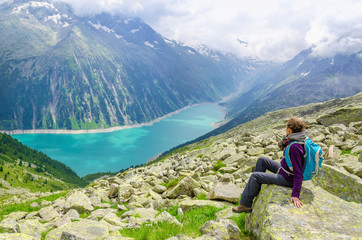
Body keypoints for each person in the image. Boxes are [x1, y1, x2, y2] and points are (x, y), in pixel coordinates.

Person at [232, 117, 307, 213]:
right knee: (261, 160)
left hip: (288, 178)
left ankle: (245, 205)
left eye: (286, 128)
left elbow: (298, 172)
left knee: (255, 176)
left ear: (289, 130)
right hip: (285, 170)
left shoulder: (295, 147)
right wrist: (285, 142)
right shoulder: (299, 137)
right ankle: (254, 189)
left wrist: (295, 195)